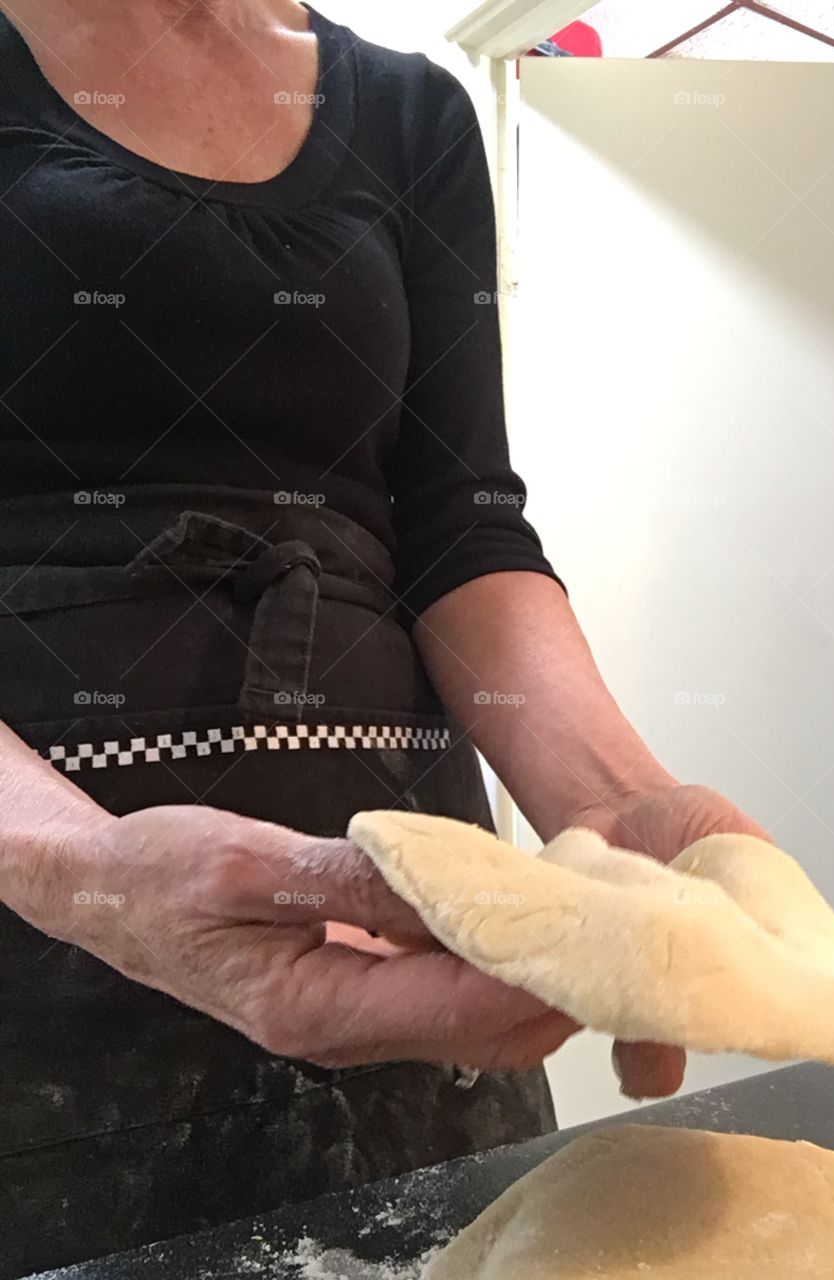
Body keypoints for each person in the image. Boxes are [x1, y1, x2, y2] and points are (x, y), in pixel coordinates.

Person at [0, 1, 766, 1273]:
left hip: (412, 958)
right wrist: (88, 871)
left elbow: (463, 531)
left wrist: (628, 812)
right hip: (38, 975)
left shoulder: (411, 114)